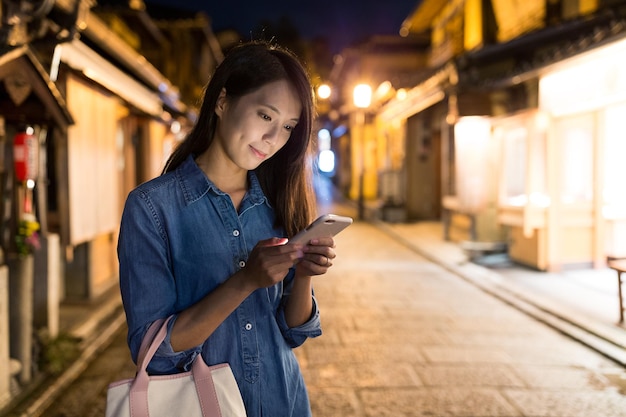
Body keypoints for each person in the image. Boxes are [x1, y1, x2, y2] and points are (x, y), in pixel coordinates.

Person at [117, 40, 336, 416]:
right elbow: (152, 351)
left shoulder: (277, 201)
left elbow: (293, 332)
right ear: (222, 102)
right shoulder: (152, 208)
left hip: (283, 400)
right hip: (200, 406)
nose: (273, 139)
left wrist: (303, 275)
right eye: (265, 116)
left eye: (287, 127)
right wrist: (246, 280)